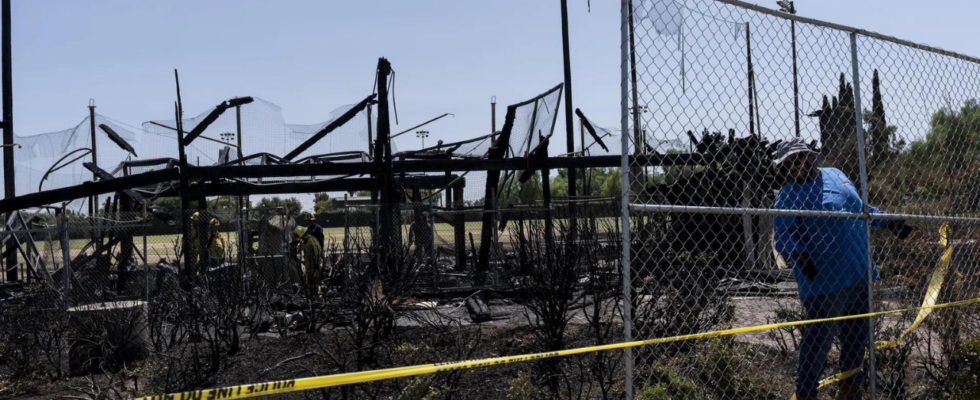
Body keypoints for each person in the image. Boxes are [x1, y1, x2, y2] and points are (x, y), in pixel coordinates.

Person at [773, 138, 912, 400]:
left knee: (855, 343)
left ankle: (850, 393)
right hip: (824, 285)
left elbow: (861, 209)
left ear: (811, 156)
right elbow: (782, 236)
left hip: (860, 275)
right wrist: (799, 255)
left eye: (799, 158)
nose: (796, 165)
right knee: (817, 346)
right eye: (789, 163)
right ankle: (805, 394)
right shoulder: (787, 195)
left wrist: (888, 221)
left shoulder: (836, 175)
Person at [294, 226, 323, 298]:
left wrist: (316, 265)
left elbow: (317, 253)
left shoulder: (312, 241)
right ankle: (311, 297)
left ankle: (318, 298)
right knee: (309, 282)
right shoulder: (303, 241)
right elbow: (299, 248)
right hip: (309, 265)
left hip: (316, 264)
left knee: (315, 282)